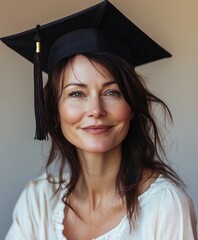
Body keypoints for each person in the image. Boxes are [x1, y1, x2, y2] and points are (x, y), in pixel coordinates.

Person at [1, 1, 197, 239]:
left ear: (132, 106)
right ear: (54, 110)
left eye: (111, 92)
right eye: (76, 93)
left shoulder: (166, 207)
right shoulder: (38, 202)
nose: (95, 109)